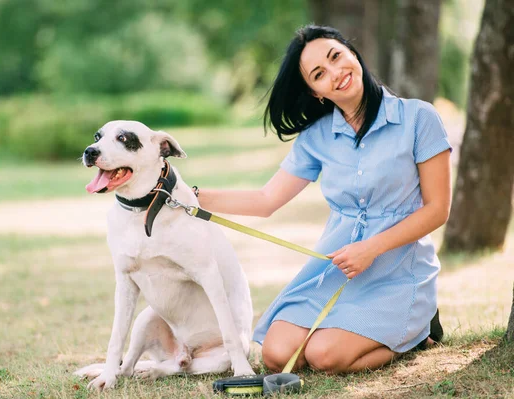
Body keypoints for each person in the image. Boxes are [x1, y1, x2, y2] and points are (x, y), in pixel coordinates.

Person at [193, 25, 451, 374]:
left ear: (352, 53)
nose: (335, 73)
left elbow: (438, 209)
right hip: (338, 270)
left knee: (324, 357)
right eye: (319, 74)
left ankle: (419, 333)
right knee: (278, 354)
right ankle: (369, 332)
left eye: (336, 57)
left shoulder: (419, 118)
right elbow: (266, 199)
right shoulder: (317, 137)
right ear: (315, 92)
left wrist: (371, 248)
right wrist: (188, 196)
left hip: (398, 269)